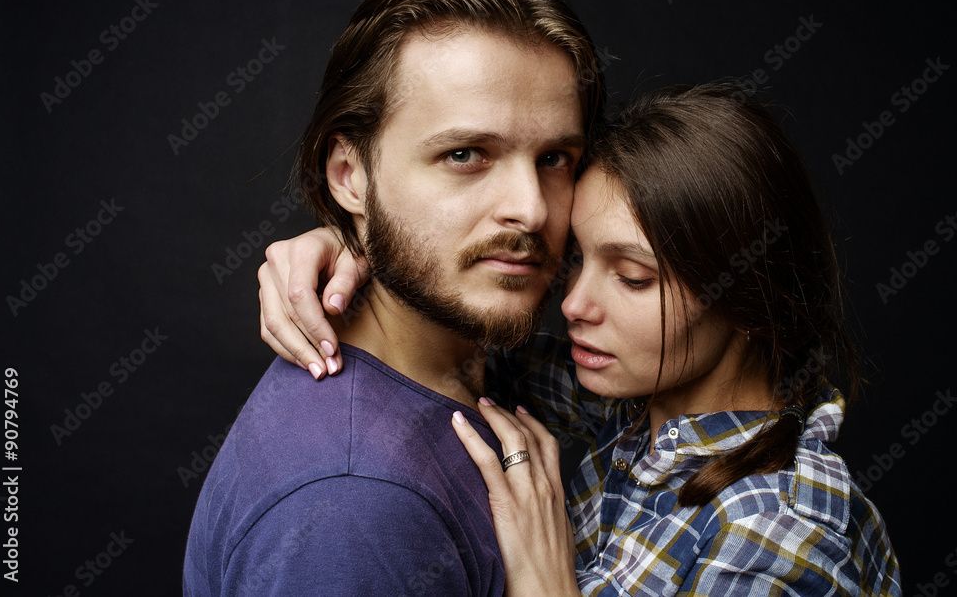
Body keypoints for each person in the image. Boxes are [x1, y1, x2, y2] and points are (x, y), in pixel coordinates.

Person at [258, 84, 902, 593]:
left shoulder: (772, 533)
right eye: (578, 261)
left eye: (632, 277)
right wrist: (352, 243)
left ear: (749, 298)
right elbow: (463, 345)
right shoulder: (635, 404)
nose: (573, 304)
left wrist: (545, 586)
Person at [183, 0, 604, 595]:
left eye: (554, 158)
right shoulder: (352, 509)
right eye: (464, 154)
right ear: (350, 175)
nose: (532, 207)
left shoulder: (475, 367)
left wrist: (358, 233)